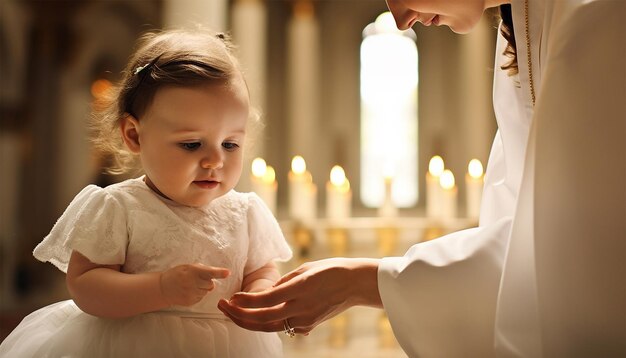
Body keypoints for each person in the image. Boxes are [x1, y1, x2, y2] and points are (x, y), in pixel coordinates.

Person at [218, 0, 626, 356]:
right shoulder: (518, 29)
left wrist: (363, 282)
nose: (398, 17)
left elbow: (581, 256)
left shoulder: (597, 18)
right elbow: (525, 238)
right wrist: (365, 280)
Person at [0, 29, 292, 357]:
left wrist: (260, 292)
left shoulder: (246, 212)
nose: (215, 160)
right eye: (191, 144)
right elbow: (86, 286)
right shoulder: (118, 206)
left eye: (230, 144)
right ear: (134, 136)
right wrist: (161, 288)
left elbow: (262, 269)